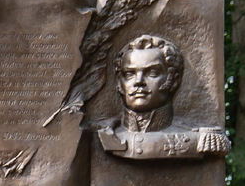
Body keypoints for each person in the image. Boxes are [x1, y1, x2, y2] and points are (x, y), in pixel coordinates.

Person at [95, 34, 231, 159]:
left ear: (173, 80)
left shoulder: (200, 140)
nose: (138, 82)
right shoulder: (103, 133)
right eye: (129, 74)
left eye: (152, 73)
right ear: (119, 83)